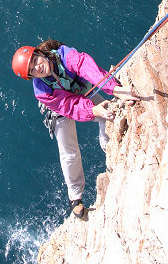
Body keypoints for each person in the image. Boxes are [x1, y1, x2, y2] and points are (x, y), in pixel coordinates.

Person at [12, 39, 139, 218]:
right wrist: (93, 110)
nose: (38, 67)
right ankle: (75, 197)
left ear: (39, 53)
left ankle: (110, 151)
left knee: (107, 118)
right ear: (33, 77)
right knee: (69, 152)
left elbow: (87, 67)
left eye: (35, 61)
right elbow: (68, 106)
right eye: (32, 70)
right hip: (60, 109)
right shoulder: (42, 91)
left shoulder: (64, 55)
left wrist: (114, 88)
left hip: (81, 90)